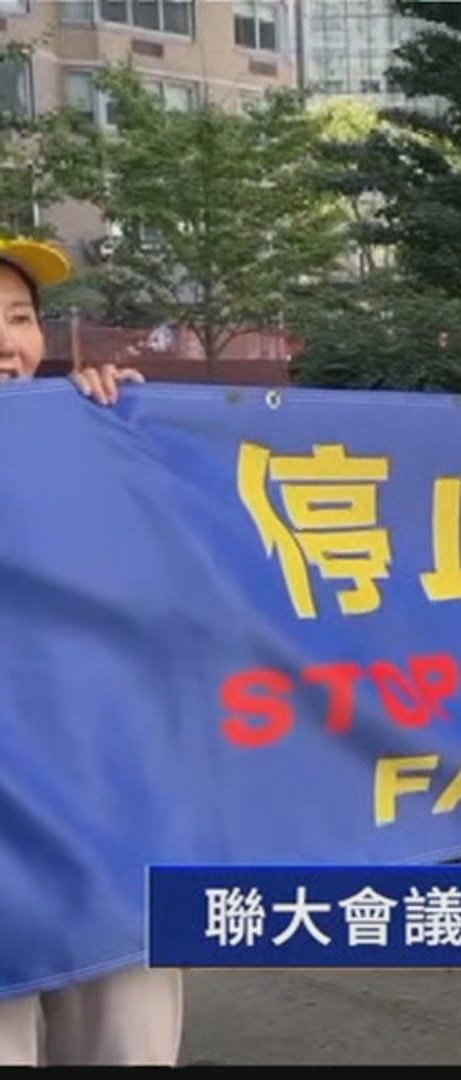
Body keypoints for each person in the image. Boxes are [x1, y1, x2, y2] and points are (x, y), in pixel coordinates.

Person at [0, 235, 170, 1066]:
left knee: (125, 1026)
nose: (7, 342)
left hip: (94, 808)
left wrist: (119, 433)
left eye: (19, 317)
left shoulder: (81, 430)